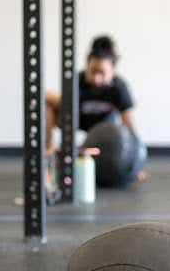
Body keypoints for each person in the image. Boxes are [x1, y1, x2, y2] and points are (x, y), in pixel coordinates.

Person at [44, 34, 146, 190]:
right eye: (93, 72)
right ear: (87, 67)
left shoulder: (119, 87)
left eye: (102, 73)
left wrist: (136, 167)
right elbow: (64, 113)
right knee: (48, 103)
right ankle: (48, 155)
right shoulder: (77, 81)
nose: (97, 78)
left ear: (113, 71)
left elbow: (129, 124)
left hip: (105, 132)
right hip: (77, 121)